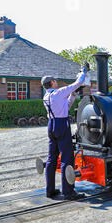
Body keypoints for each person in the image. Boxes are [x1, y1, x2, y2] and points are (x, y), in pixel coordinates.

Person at [42, 65, 88, 200]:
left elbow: (65, 107)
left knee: (51, 158)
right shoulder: (58, 93)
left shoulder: (46, 96)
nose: (57, 83)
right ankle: (68, 192)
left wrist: (72, 96)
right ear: (52, 83)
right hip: (62, 125)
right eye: (55, 81)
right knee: (66, 158)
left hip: (51, 125)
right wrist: (83, 72)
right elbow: (78, 83)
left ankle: (49, 190)